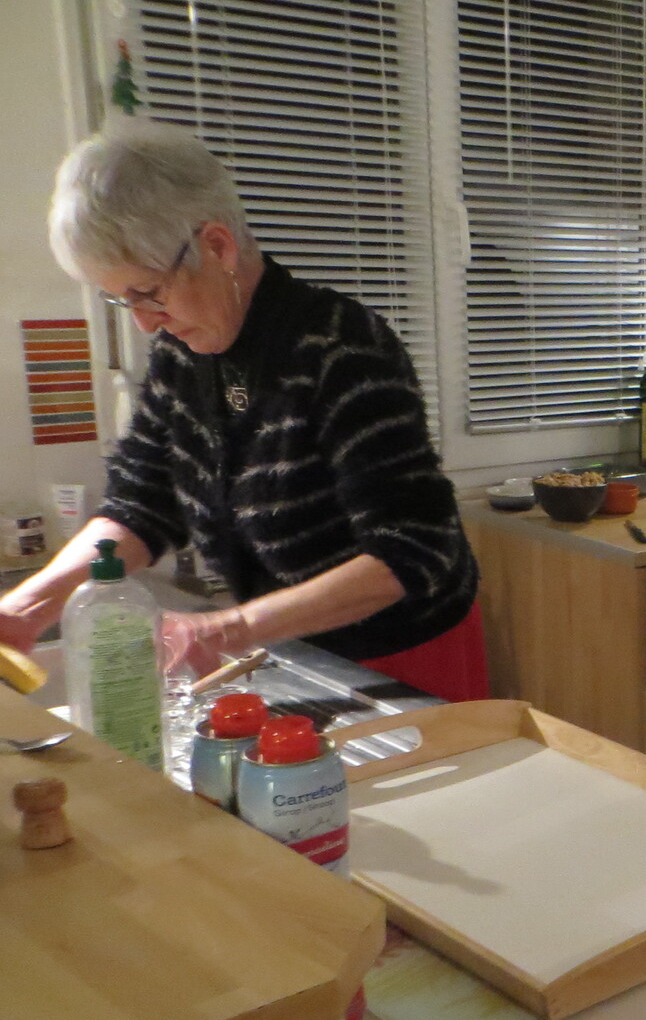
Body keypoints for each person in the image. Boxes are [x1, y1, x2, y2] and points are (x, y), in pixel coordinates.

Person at [0, 123, 482, 696]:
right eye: (122, 299)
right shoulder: (181, 355)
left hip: (402, 651)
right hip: (291, 646)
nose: (144, 322)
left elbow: (413, 547)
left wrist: (229, 628)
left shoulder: (341, 348)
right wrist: (29, 604)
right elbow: (141, 504)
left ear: (218, 247)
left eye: (149, 292)